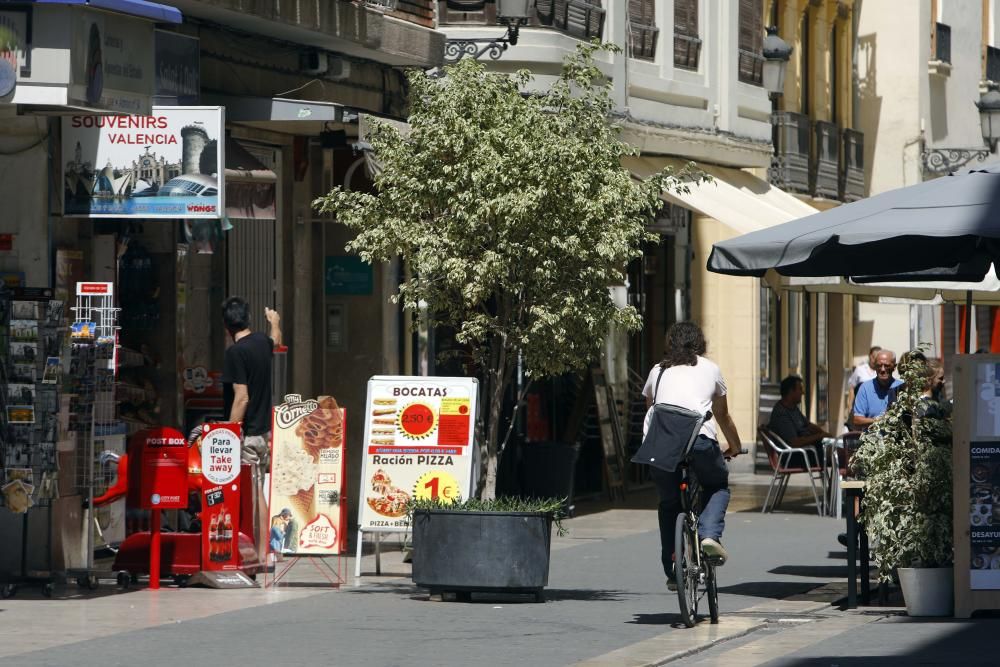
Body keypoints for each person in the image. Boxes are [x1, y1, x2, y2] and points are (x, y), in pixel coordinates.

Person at [642, 321, 742, 589]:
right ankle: (709, 535)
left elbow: (651, 408)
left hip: (662, 446)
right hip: (700, 440)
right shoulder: (710, 369)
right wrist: (735, 445)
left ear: (670, 344)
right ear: (700, 344)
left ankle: (673, 568)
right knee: (717, 484)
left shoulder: (658, 371)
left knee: (668, 504)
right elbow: (722, 415)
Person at [221, 296, 281, 562]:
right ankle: (267, 550)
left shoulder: (235, 353)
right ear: (248, 319)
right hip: (264, 431)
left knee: (253, 494)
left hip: (247, 435)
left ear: (226, 326)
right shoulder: (260, 342)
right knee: (259, 490)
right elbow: (275, 341)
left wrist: (228, 433)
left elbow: (241, 397)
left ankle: (260, 552)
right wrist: (275, 322)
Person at [769, 375, 831, 464]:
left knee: (837, 449)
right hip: (794, 455)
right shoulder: (781, 414)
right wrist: (819, 436)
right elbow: (795, 443)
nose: (803, 392)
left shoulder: (793, 408)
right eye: (800, 389)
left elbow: (808, 425)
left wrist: (824, 434)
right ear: (791, 391)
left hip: (807, 450)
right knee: (837, 454)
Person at [852, 349, 903, 430]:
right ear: (875, 366)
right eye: (879, 365)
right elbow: (857, 420)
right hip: (872, 440)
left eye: (886, 366)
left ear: (894, 367)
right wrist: (880, 420)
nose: (882, 369)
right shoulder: (865, 388)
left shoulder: (902, 387)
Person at [845, 346, 880, 429]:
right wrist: (850, 406)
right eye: (873, 357)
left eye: (877, 357)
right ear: (869, 356)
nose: (874, 359)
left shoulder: (881, 372)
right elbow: (851, 387)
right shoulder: (860, 370)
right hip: (859, 408)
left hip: (874, 410)